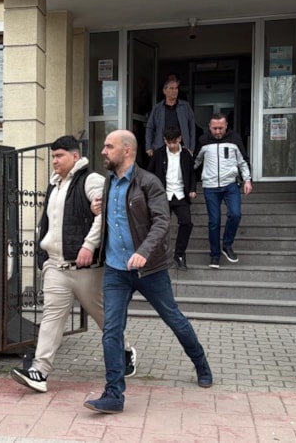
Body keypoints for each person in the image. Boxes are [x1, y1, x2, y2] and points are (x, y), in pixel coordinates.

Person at [83, 129, 212, 414]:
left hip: (150, 270)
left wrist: (143, 252)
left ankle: (201, 363)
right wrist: (97, 209)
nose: (103, 151)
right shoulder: (108, 182)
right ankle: (113, 394)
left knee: (173, 319)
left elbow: (162, 221)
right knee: (111, 330)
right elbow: (113, 217)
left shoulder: (149, 182)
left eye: (109, 146)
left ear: (127, 150)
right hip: (116, 270)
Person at [10, 135, 137, 393]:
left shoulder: (91, 180)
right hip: (56, 266)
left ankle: (124, 351)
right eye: (53, 156)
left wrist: (89, 245)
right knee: (51, 319)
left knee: (104, 317)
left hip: (85, 269)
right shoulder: (54, 185)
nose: (54, 161)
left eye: (60, 156)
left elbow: (106, 213)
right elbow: (49, 223)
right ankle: (39, 371)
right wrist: (44, 257)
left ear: (75, 156)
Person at [194, 113, 252, 269]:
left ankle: (227, 245)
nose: (218, 131)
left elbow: (243, 161)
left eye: (221, 128)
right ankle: (214, 255)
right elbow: (195, 162)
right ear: (209, 127)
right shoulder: (203, 140)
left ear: (226, 125)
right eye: (214, 128)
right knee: (214, 221)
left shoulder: (235, 138)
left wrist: (247, 180)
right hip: (210, 186)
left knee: (235, 214)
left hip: (230, 184)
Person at [146, 126, 197, 270]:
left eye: (174, 142)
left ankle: (179, 254)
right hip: (163, 195)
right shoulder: (159, 154)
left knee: (186, 223)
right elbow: (149, 173)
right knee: (159, 225)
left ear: (179, 139)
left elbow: (192, 174)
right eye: (169, 142)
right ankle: (158, 255)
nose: (172, 145)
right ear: (164, 140)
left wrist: (192, 189)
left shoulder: (186, 154)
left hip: (180, 195)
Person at [145, 77, 196, 158]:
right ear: (164, 91)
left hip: (182, 148)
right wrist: (149, 146)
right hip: (161, 148)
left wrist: (191, 147)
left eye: (176, 88)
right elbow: (150, 127)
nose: (174, 91)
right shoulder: (157, 108)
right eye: (171, 88)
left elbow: (192, 128)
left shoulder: (185, 106)